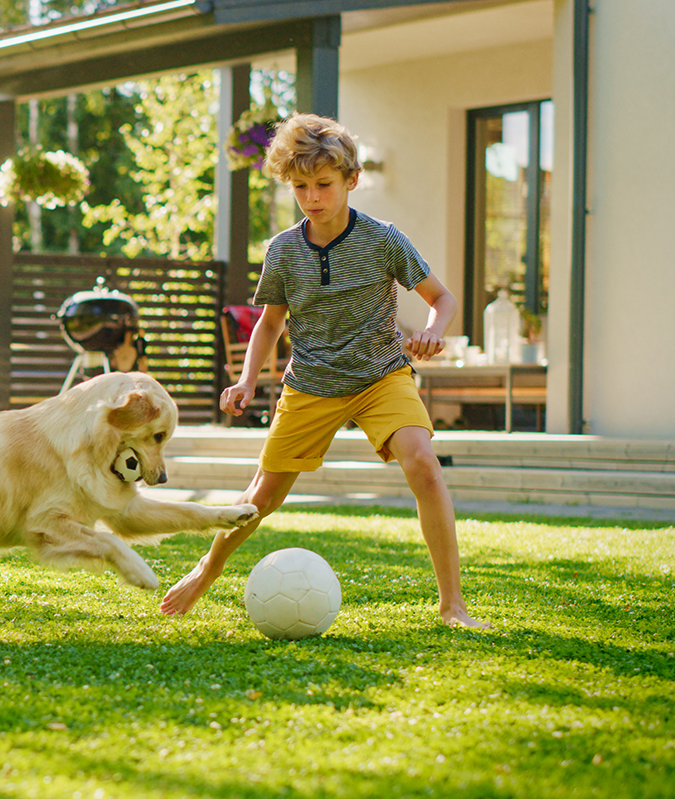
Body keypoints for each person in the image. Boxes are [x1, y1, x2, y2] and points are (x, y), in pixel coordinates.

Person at [160, 113, 489, 629]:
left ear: (351, 180)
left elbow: (441, 299)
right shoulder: (284, 250)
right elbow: (269, 325)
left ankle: (453, 605)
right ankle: (207, 569)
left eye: (324, 184)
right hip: (311, 383)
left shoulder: (383, 240)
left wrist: (432, 329)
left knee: (423, 462)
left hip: (381, 376)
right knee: (261, 498)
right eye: (301, 187)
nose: (313, 197)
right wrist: (247, 378)